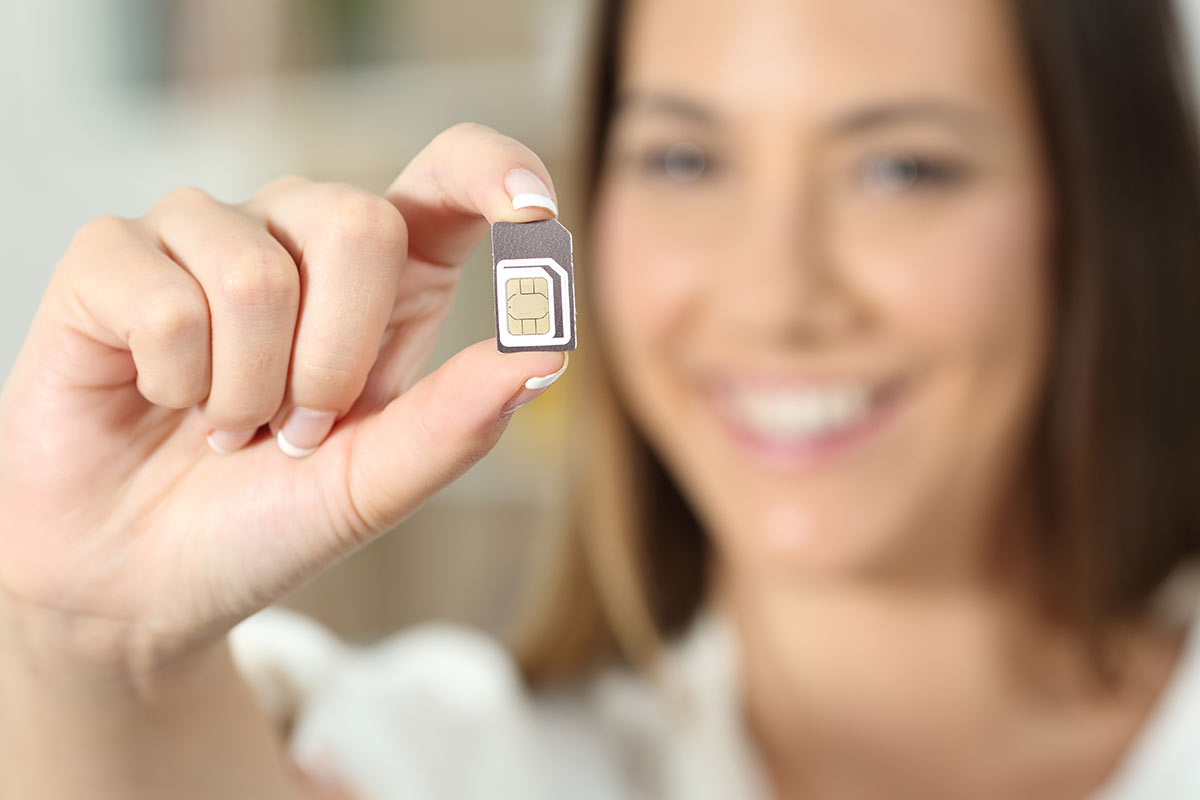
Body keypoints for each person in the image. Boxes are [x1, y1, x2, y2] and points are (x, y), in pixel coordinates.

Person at [3, 0, 1200, 797]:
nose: (775, 296)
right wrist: (94, 651)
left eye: (903, 168)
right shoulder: (463, 765)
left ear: (1106, 206)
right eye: (684, 158)